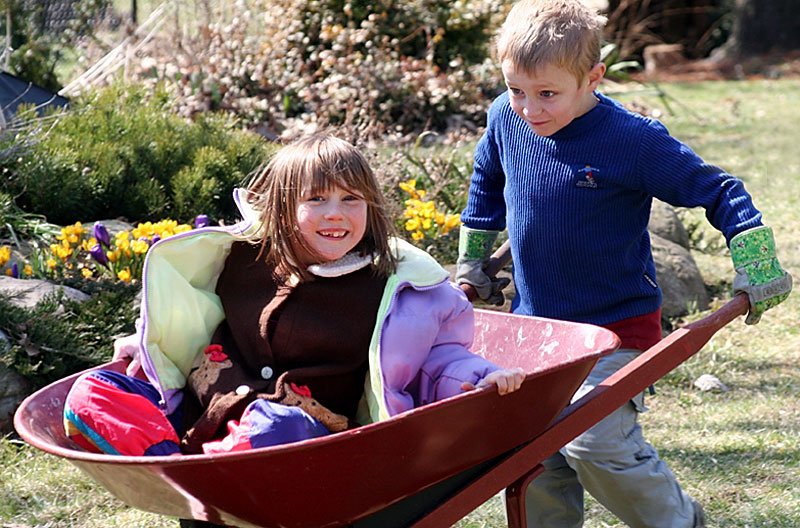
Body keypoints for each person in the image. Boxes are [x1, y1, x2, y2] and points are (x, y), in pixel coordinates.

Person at [455, 1, 792, 527]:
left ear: (593, 78)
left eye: (547, 93)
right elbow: (484, 191)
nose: (529, 108)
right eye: (516, 89)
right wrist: (472, 262)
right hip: (538, 329)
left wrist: (755, 255)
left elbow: (720, 190)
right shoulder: (507, 117)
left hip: (616, 330)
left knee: (592, 439)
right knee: (536, 457)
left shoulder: (631, 139)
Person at [63, 132, 525, 457]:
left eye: (351, 200)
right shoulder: (242, 260)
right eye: (316, 200)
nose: (335, 215)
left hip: (301, 436)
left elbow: (438, 356)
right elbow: (189, 313)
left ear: (371, 208)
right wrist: (148, 344)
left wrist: (477, 377)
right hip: (205, 409)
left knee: (274, 425)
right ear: (284, 208)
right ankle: (171, 462)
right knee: (92, 392)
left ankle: (217, 467)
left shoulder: (395, 286)